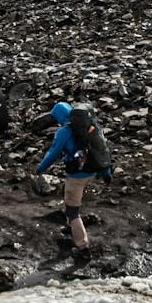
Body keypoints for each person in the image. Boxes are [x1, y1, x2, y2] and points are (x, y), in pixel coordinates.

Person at [35, 102, 104, 248]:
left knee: (72, 210)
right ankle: (70, 226)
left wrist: (41, 168)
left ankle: (82, 246)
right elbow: (101, 149)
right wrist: (105, 172)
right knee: (71, 199)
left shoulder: (64, 132)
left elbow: (53, 153)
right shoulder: (90, 127)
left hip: (76, 175)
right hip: (91, 170)